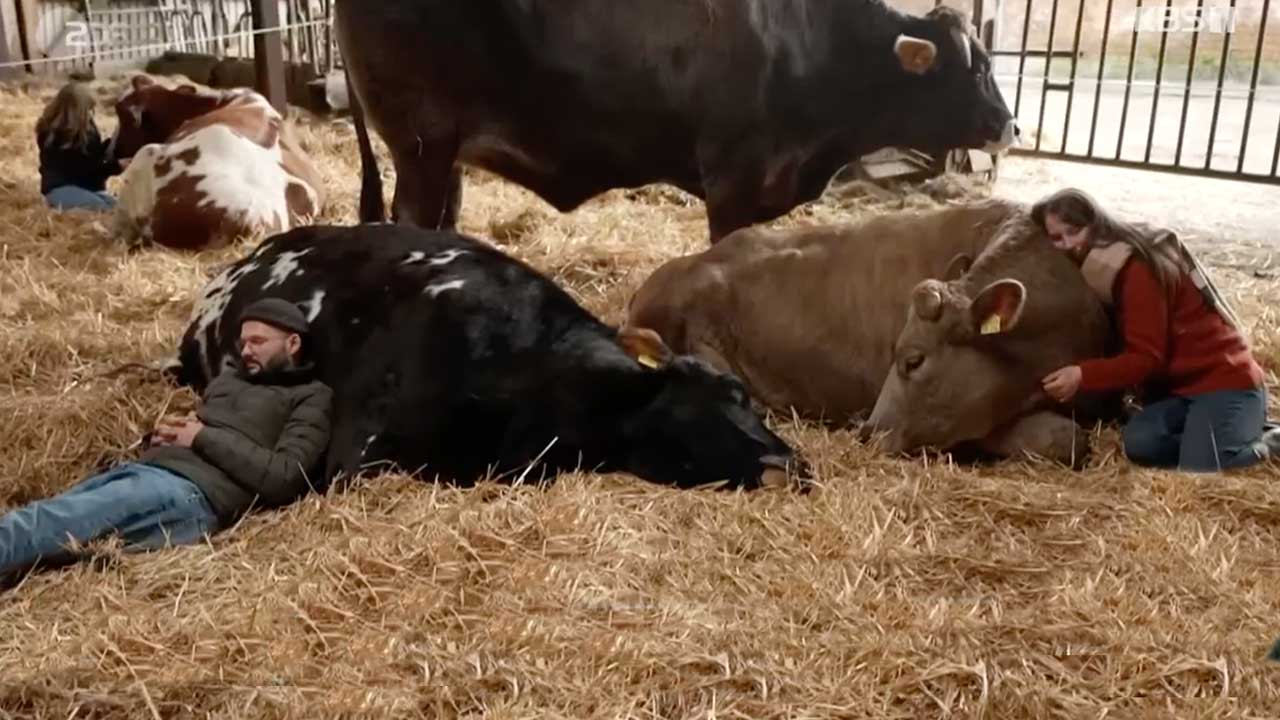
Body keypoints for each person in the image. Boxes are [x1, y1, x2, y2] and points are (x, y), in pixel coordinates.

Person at [0, 299, 333, 583]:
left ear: (292, 344)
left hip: (190, 494)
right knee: (47, 533)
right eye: (243, 342)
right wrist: (165, 435)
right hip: (151, 473)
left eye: (258, 342)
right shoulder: (229, 381)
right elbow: (202, 436)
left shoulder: (310, 397)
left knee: (41, 523)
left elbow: (287, 477)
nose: (246, 351)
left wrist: (201, 436)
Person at [1033, 187, 1278, 472]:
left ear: (1095, 225)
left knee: (1203, 470)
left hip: (1222, 383)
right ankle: (1221, 433)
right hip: (1179, 391)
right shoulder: (1108, 261)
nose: (1067, 244)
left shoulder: (1135, 269)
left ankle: (1270, 439)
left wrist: (1081, 375)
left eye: (1073, 232)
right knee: (1140, 445)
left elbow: (1147, 358)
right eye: (1056, 238)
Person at [35, 80, 121, 211]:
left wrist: (113, 144)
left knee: (121, 208)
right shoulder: (58, 135)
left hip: (85, 187)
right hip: (61, 188)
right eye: (88, 109)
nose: (91, 113)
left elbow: (91, 156)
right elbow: (84, 170)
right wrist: (118, 166)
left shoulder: (85, 127)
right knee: (106, 210)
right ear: (78, 110)